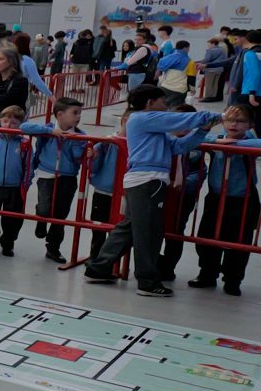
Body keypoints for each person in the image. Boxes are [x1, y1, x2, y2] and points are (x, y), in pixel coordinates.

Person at [84, 86, 221, 296]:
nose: (165, 106)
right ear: (150, 102)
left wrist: (202, 131)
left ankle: (98, 268)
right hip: (148, 180)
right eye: (162, 102)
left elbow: (179, 146)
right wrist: (219, 116)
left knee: (129, 227)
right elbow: (179, 121)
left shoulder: (155, 129)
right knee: (149, 232)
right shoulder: (142, 119)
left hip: (145, 181)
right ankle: (147, 282)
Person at [189, 104, 261, 295]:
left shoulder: (251, 140)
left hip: (241, 200)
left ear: (250, 125)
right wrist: (220, 141)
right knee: (207, 236)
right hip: (215, 197)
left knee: (238, 242)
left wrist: (233, 144)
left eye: (240, 121)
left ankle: (233, 280)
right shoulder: (216, 139)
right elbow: (196, 138)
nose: (234, 124)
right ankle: (207, 273)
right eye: (229, 120)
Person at [21, 96, 87, 263]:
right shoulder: (47, 128)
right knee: (44, 207)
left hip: (68, 177)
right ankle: (41, 220)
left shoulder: (80, 135)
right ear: (60, 114)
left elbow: (78, 157)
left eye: (80, 113)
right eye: (75, 113)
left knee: (60, 215)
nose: (78, 116)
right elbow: (24, 126)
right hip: (46, 175)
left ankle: (53, 249)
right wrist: (51, 132)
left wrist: (75, 144)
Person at [0, 106, 32, 258]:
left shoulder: (24, 144)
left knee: (12, 219)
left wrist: (25, 184)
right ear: (0, 121)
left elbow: (29, 166)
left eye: (14, 122)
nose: (9, 125)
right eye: (5, 121)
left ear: (21, 124)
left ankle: (8, 244)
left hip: (14, 187)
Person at [0, 46, 30, 115]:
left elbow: (9, 100)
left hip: (8, 122)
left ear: (11, 61)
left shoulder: (20, 80)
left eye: (0, 59)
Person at [157, 40, 192, 107]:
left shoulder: (167, 58)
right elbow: (191, 77)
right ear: (185, 48)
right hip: (179, 89)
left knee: (162, 106)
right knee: (176, 109)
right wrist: (192, 89)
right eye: (188, 48)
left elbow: (159, 69)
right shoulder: (189, 60)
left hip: (165, 86)